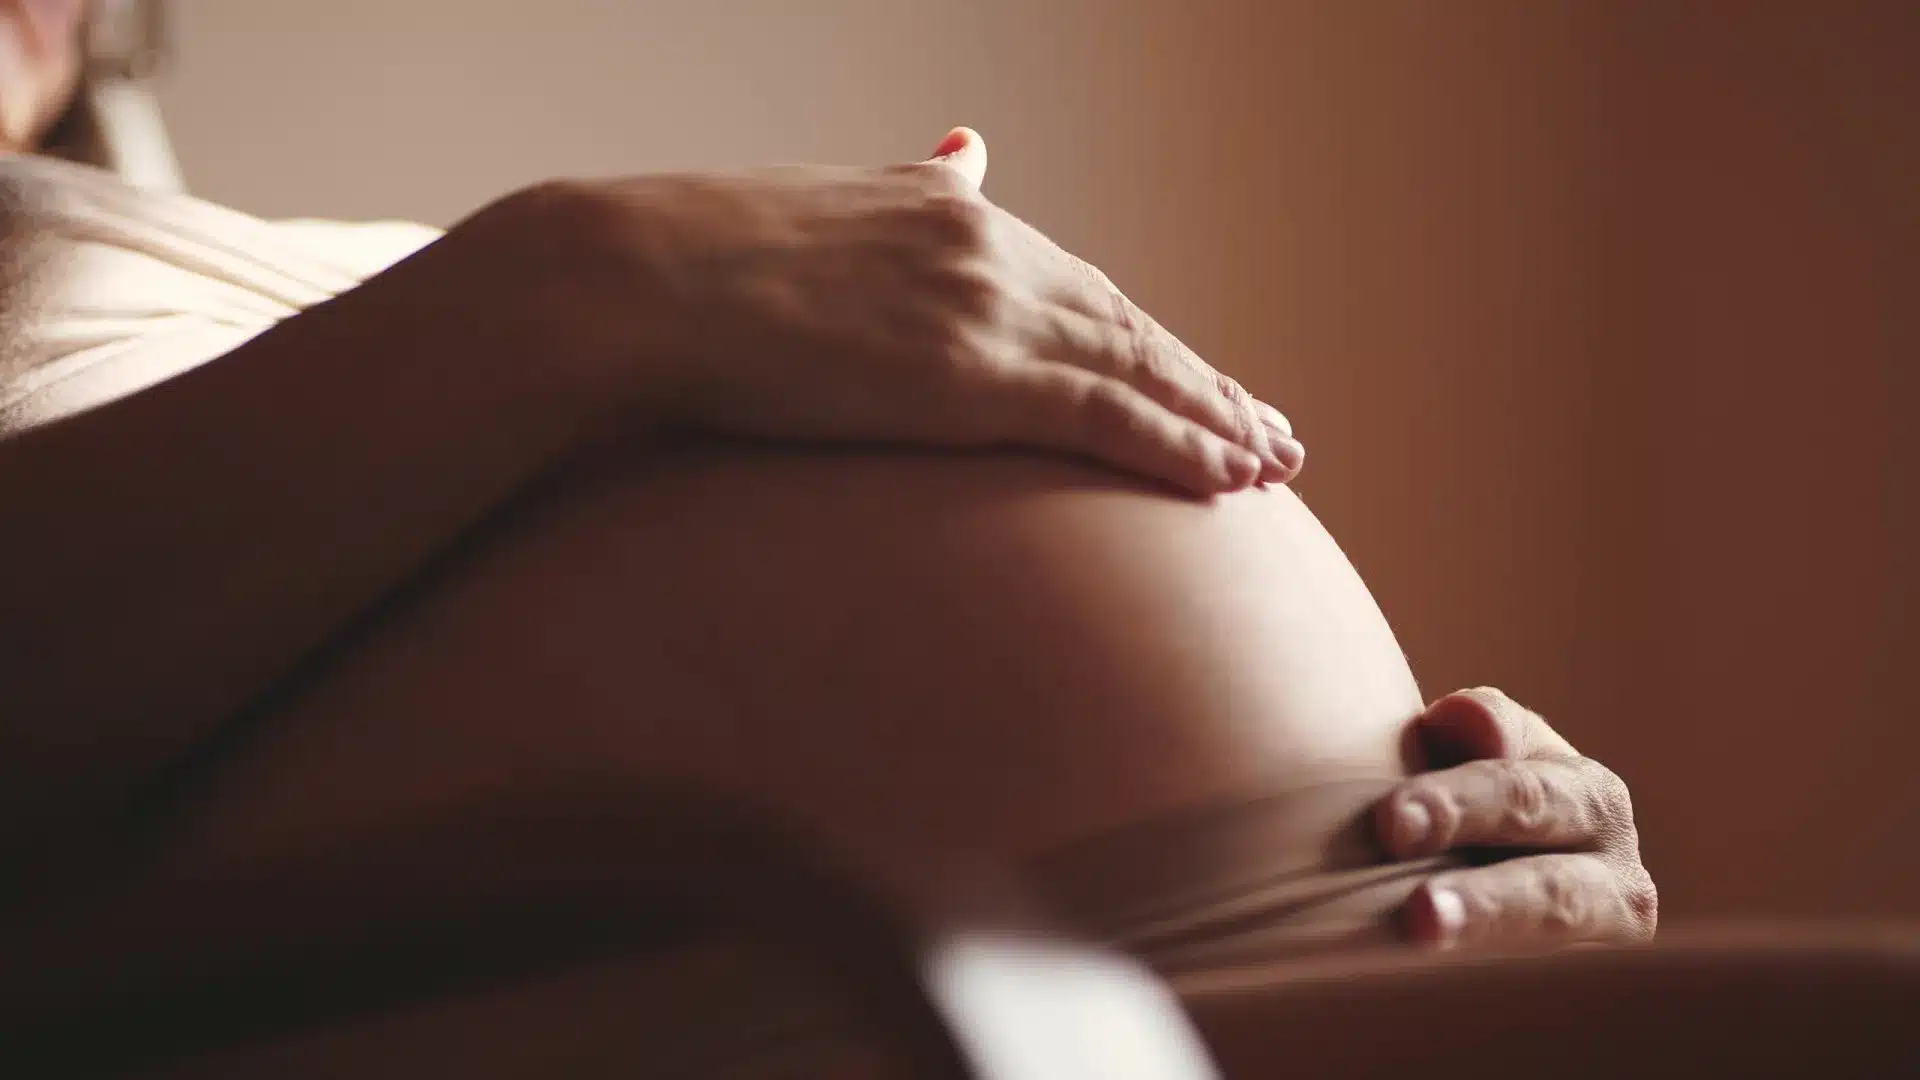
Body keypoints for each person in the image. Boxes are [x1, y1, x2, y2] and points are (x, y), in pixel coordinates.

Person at [0, 2, 1760, 1073]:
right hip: (926, 1012)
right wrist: (589, 283)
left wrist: (1427, 835)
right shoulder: (511, 284)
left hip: (1216, 996)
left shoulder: (195, 228)